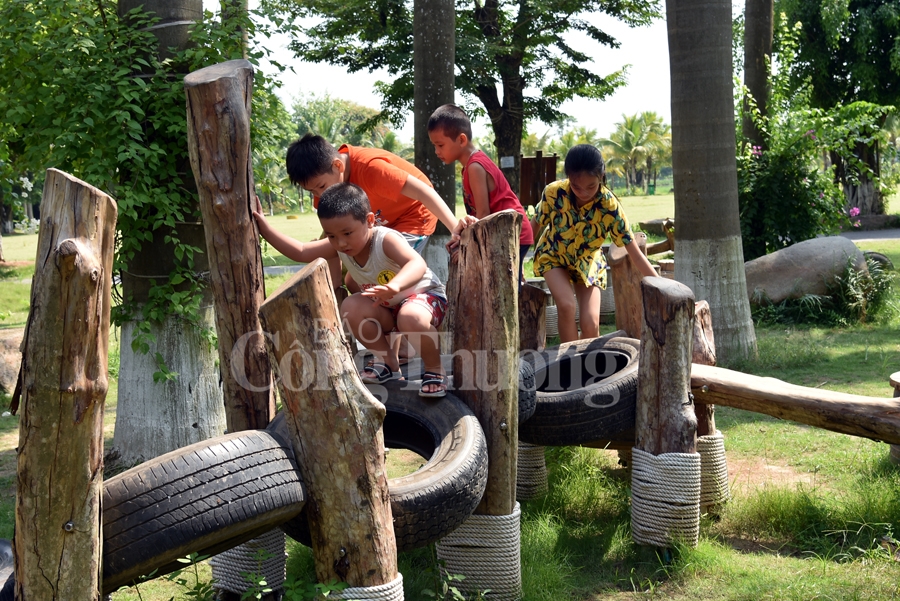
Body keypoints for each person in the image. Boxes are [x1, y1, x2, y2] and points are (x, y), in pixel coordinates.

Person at [253, 183, 449, 397]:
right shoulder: (341, 247)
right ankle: (389, 363)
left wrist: (395, 285)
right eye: (332, 236)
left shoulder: (385, 240)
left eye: (347, 233)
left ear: (370, 220)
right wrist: (265, 228)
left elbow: (416, 264)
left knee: (409, 316)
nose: (341, 243)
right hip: (389, 307)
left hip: (425, 299)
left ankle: (435, 369)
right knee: (350, 307)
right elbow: (301, 251)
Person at [530, 144, 657, 343]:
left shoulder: (610, 206)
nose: (583, 193)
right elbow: (534, 226)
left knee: (591, 324)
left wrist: (663, 286)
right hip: (554, 255)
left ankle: (586, 360)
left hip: (587, 262)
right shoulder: (554, 193)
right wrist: (517, 262)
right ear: (568, 177)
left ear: (601, 176)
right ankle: (570, 361)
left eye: (591, 186)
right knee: (566, 306)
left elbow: (636, 255)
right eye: (576, 186)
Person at [427, 104, 534, 282]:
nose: (437, 151)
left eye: (440, 145)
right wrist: (462, 239)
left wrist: (466, 247)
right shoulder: (470, 166)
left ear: (461, 140)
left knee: (500, 286)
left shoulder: (475, 167)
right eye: (434, 146)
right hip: (500, 233)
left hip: (512, 233)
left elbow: (483, 214)